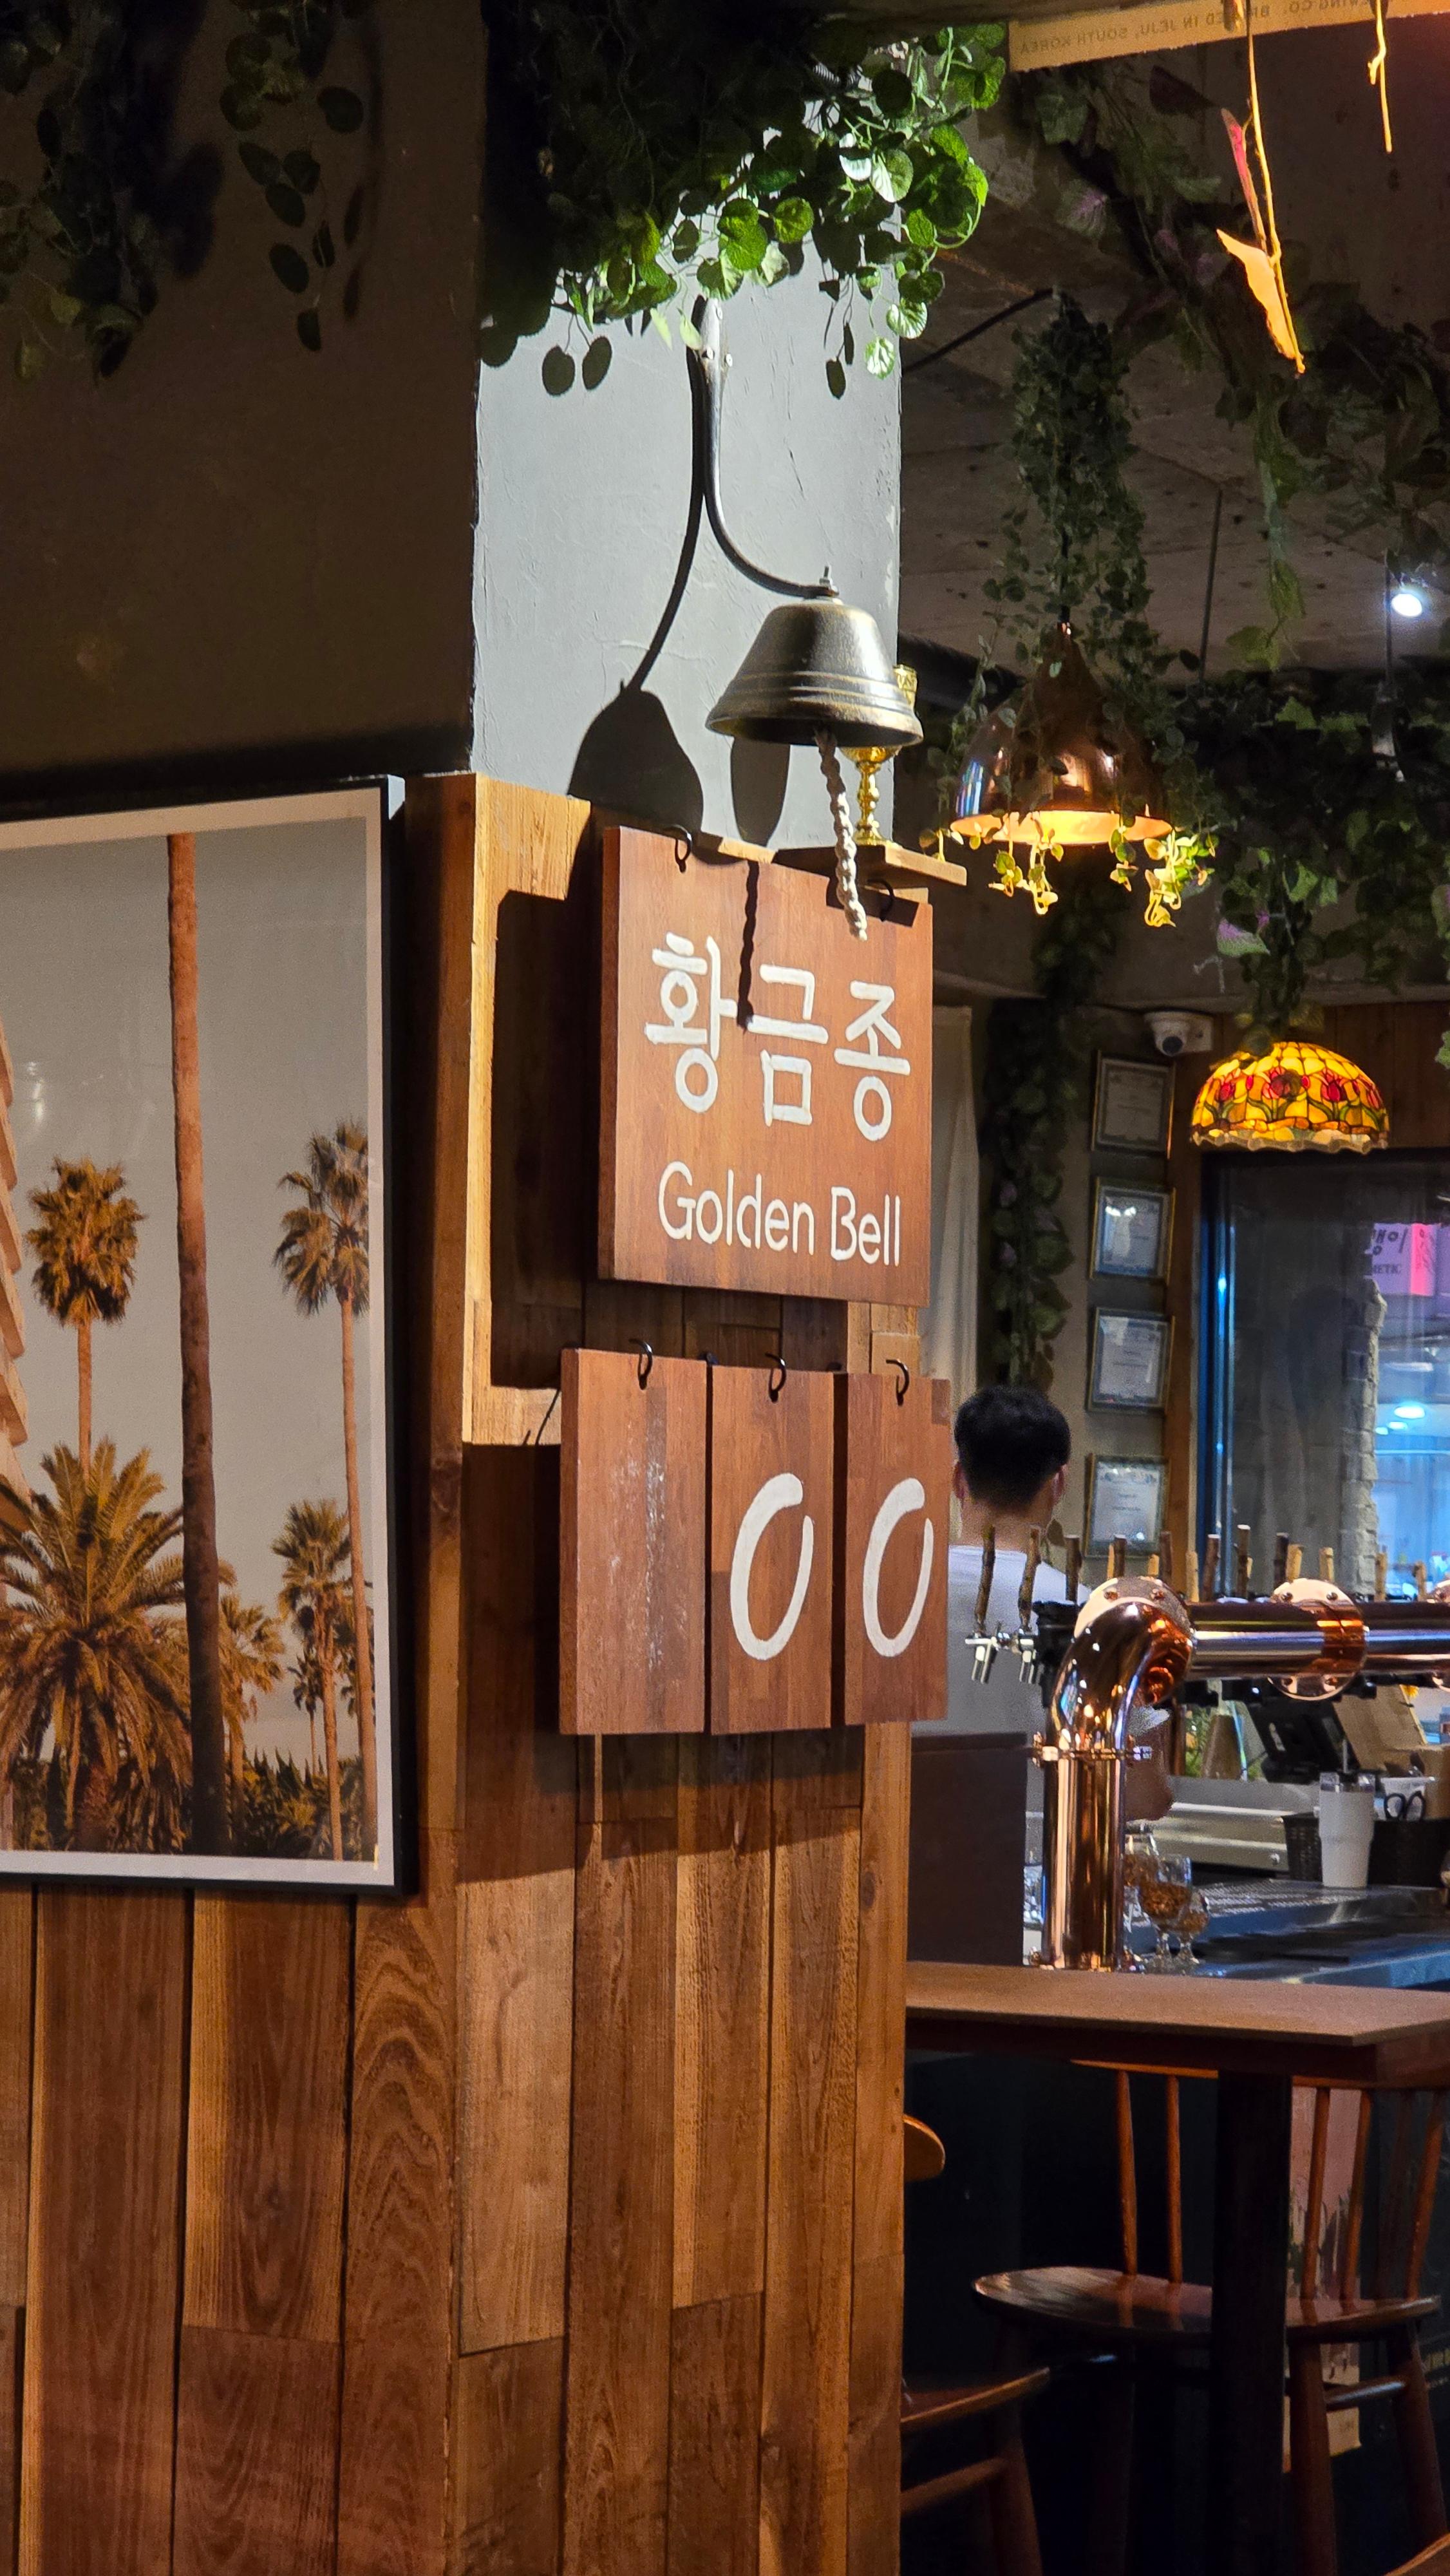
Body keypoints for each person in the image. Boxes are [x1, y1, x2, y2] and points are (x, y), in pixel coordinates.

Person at [936, 1383, 1173, 1820]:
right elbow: (1146, 1796)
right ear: (1058, 1484)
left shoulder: (897, 1601)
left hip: (901, 1855)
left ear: (957, 1480)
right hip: (1041, 1857)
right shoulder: (1092, 1616)